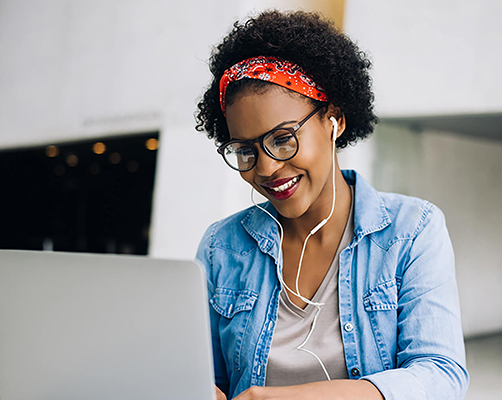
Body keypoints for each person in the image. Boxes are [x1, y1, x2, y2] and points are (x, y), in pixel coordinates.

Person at [195, 10, 468, 400]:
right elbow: (207, 376)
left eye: (284, 138)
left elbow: (441, 376)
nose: (268, 168)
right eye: (246, 150)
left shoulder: (411, 230)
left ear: (334, 121)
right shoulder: (222, 245)